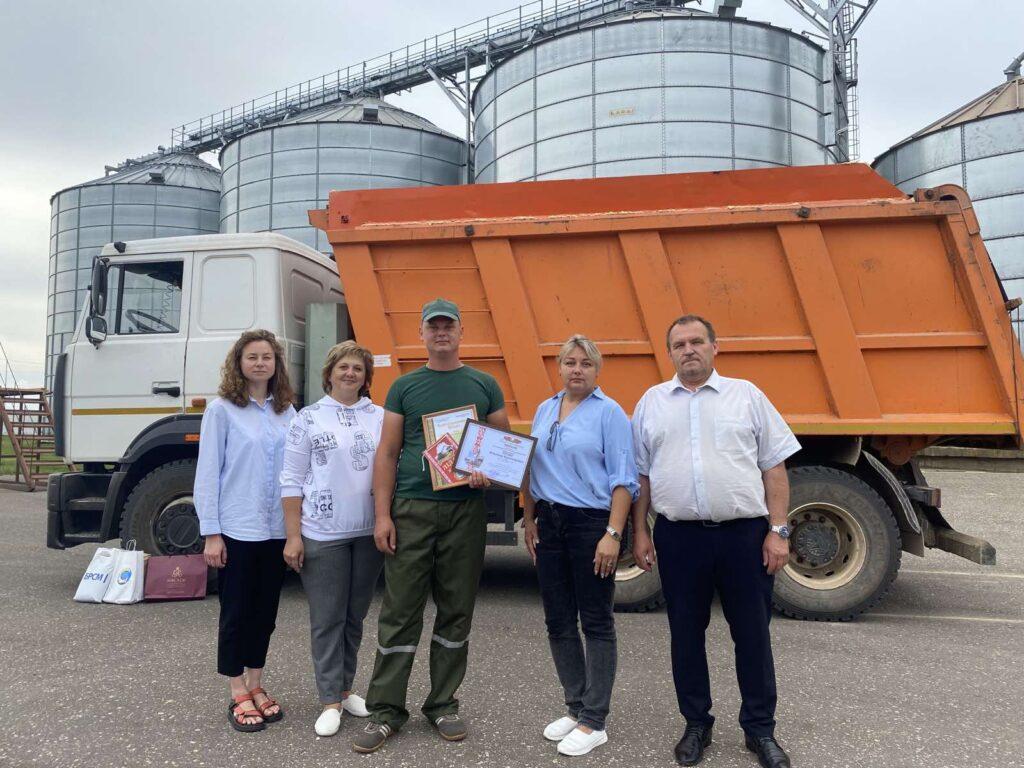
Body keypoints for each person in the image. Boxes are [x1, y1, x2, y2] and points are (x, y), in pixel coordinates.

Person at [630, 315, 800, 768]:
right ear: (669, 353)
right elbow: (641, 476)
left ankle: (760, 731)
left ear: (714, 347)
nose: (689, 349)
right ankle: (696, 725)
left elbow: (774, 467)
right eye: (679, 344)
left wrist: (778, 530)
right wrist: (640, 531)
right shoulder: (651, 403)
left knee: (752, 636)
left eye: (697, 341)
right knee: (686, 635)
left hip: (743, 537)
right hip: (679, 537)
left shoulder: (747, 396)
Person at [352, 298, 509, 754]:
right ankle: (386, 712)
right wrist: (382, 515)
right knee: (400, 611)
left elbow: (504, 451)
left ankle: (442, 704)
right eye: (433, 326)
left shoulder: (484, 384)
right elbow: (387, 453)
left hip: (465, 511)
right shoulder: (404, 387)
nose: (441, 333)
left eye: (449, 326)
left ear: (461, 333)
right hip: (413, 508)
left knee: (456, 610)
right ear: (421, 334)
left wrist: (488, 471)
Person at [522, 335, 639, 756]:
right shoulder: (544, 409)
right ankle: (574, 706)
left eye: (585, 364)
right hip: (550, 523)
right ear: (559, 366)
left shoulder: (609, 414)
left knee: (595, 621)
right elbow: (530, 467)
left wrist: (613, 534)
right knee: (557, 620)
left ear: (597, 370)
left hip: (591, 524)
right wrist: (529, 518)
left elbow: (625, 479)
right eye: (570, 362)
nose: (577, 369)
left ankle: (595, 720)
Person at [279, 341, 385, 737]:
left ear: (366, 377)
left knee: (354, 616)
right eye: (343, 367)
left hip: (367, 532)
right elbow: (290, 479)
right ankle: (328, 700)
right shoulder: (308, 418)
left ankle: (345, 687)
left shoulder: (380, 417)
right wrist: (293, 536)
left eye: (358, 368)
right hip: (322, 533)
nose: (350, 373)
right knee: (327, 618)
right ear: (329, 373)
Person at [194, 329, 297, 733]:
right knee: (236, 613)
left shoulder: (288, 411)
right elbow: (207, 473)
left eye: (267, 357)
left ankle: (257, 683)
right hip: (237, 528)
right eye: (252, 356)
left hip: (275, 529)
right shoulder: (222, 411)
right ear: (239, 363)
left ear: (276, 364)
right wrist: (211, 532)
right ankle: (237, 690)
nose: (260, 363)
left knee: (265, 614)